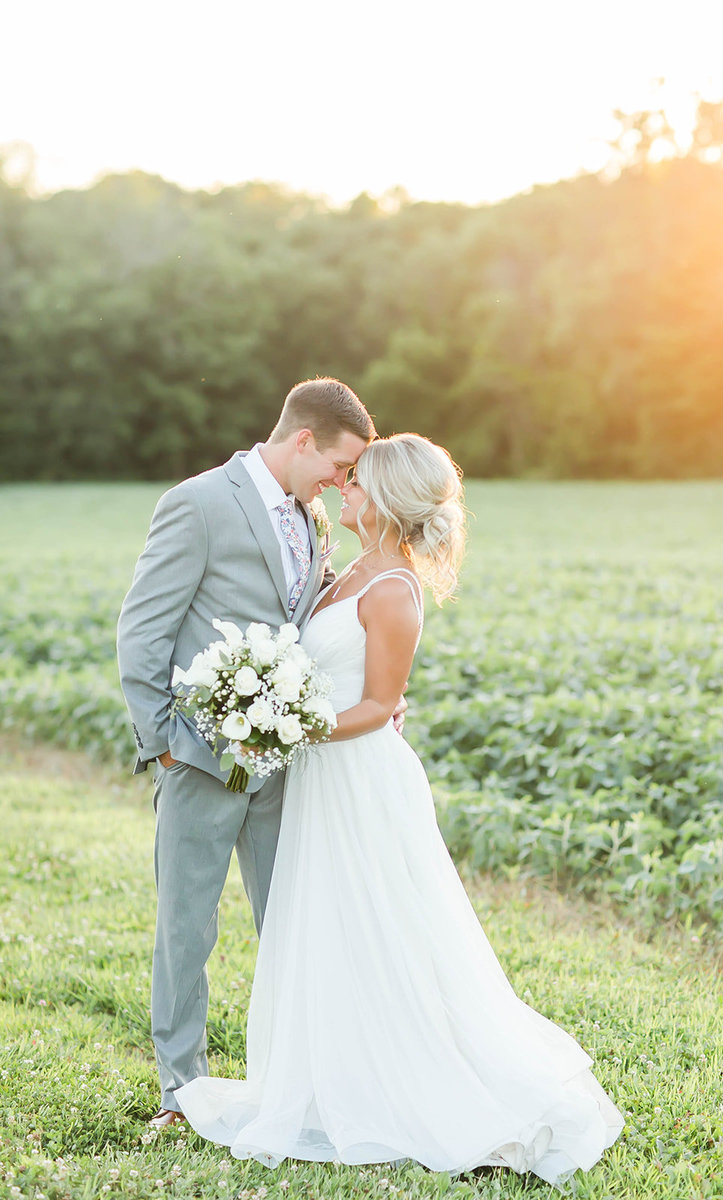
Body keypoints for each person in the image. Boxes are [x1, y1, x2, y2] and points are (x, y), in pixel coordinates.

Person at [175, 433, 624, 1185]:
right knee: (333, 923)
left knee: (389, 925)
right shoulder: (349, 568)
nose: (341, 491)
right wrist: (276, 706)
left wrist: (284, 722)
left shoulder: (392, 590)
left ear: (383, 502)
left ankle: (431, 1087)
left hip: (361, 780)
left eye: (354, 484)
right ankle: (337, 1074)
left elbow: (380, 706)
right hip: (325, 777)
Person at [117, 377, 378, 1128]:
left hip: (285, 766)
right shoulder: (199, 503)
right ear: (303, 440)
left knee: (293, 922)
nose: (342, 480)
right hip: (198, 760)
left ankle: (299, 1080)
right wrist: (163, 744)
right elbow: (142, 631)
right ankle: (181, 1091)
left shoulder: (316, 515)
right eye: (338, 463)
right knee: (186, 928)